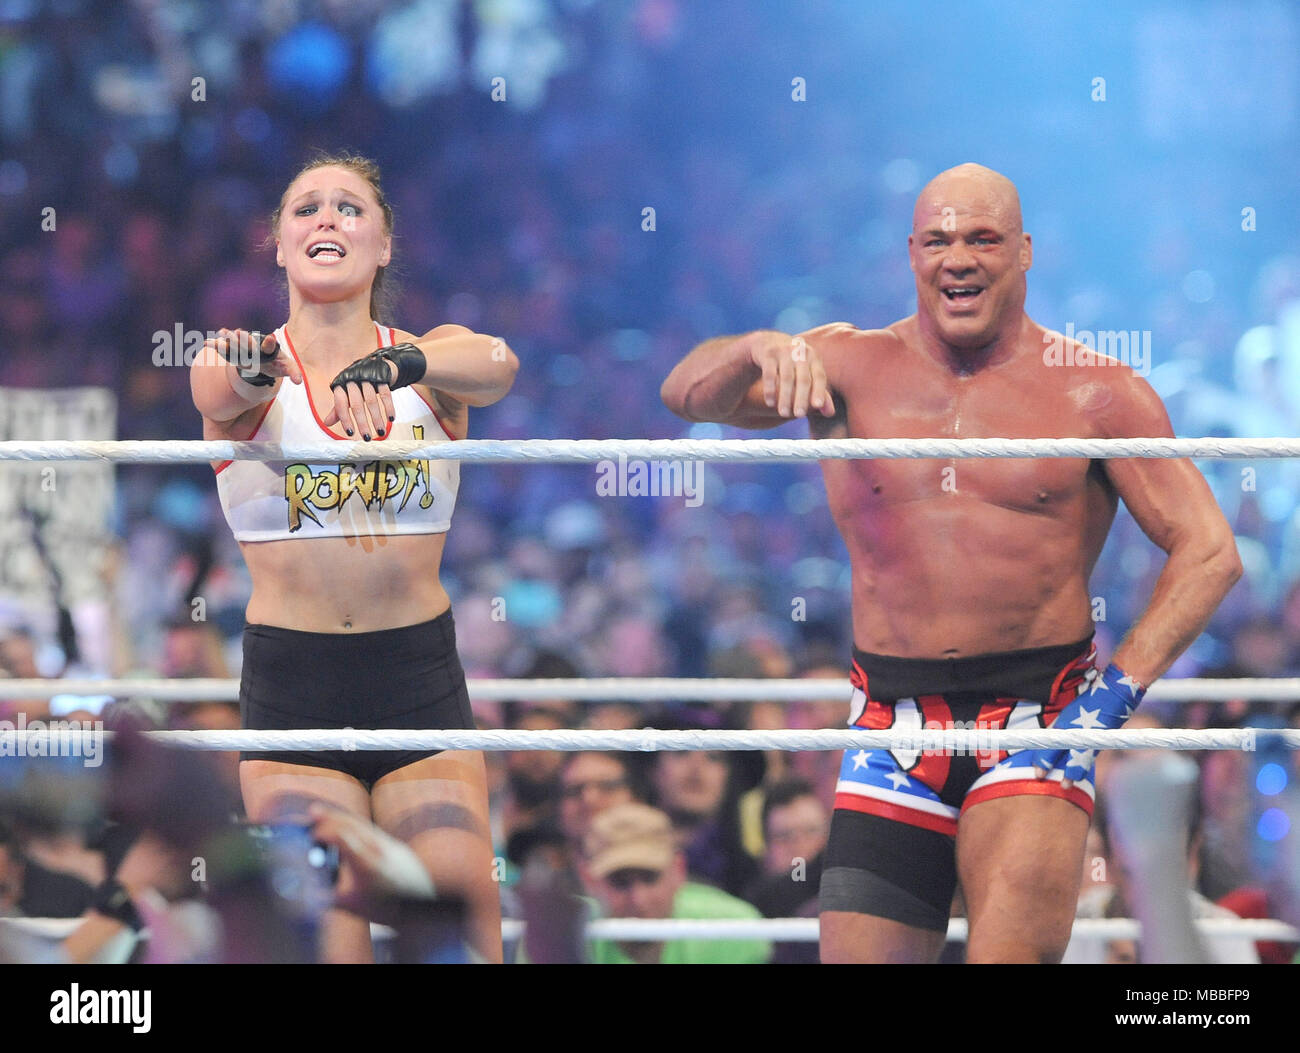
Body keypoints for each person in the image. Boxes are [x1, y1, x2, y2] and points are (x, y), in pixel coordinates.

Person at [661, 162, 1242, 963]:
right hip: (889, 724)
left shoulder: (1096, 391)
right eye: (937, 240)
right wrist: (755, 350)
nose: (957, 258)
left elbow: (1210, 550)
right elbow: (686, 394)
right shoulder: (843, 365)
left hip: (1038, 720)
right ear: (911, 255)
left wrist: (1110, 702)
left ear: (1025, 252)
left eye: (982, 238)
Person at [190, 152, 518, 962]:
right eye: (306, 208)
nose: (327, 219)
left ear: (383, 244)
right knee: (320, 952)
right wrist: (262, 367)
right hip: (293, 687)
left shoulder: (435, 359)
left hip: (416, 678)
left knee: (462, 945)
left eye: (349, 207)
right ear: (277, 244)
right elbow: (216, 386)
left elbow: (498, 364)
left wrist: (397, 364)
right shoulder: (242, 360)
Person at [578, 803, 770, 964]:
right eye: (619, 882)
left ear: (678, 870)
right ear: (590, 881)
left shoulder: (734, 930)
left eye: (650, 877)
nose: (639, 899)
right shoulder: (561, 936)